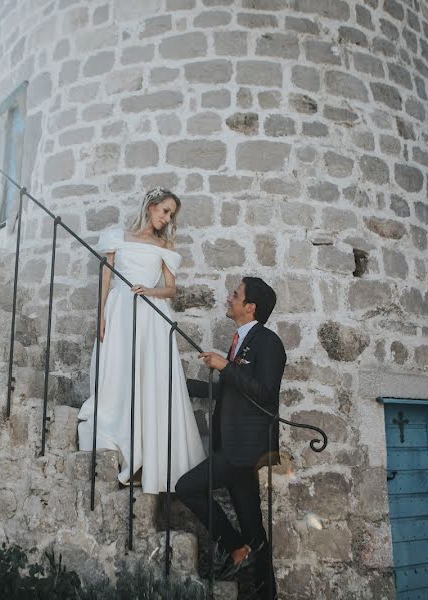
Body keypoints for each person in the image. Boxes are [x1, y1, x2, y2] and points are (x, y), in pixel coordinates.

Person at [77, 188, 205, 494]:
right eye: (165, 210)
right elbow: (106, 277)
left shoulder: (164, 246)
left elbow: (171, 289)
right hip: (119, 310)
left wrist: (150, 291)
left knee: (148, 378)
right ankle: (121, 440)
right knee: (116, 370)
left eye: (172, 214)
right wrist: (100, 316)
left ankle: (150, 460)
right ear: (151, 207)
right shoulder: (116, 237)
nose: (167, 218)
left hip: (149, 314)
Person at [175, 277, 285, 599]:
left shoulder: (268, 343)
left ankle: (236, 549)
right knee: (255, 529)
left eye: (235, 295)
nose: (229, 299)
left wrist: (225, 366)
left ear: (249, 307)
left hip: (245, 451)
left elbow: (266, 394)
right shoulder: (240, 342)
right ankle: (264, 592)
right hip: (234, 449)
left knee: (187, 487)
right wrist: (175, 383)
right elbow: (223, 392)